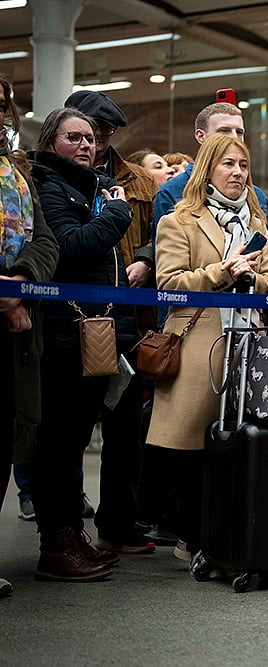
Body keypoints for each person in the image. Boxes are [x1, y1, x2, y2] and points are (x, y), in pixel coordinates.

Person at [145, 133, 268, 562]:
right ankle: (191, 538)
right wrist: (221, 271)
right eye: (228, 164)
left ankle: (225, 537)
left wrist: (249, 278)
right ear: (208, 170)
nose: (238, 173)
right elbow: (168, 283)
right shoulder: (178, 221)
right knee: (190, 451)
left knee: (235, 446)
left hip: (246, 345)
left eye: (243, 165)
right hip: (198, 344)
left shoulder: (258, 224)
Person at [28, 107, 135, 581]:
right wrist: (116, 214)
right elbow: (70, 247)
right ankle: (56, 544)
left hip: (91, 330)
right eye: (74, 137)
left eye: (91, 138)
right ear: (52, 142)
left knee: (72, 444)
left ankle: (72, 535)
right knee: (57, 443)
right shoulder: (48, 184)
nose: (87, 145)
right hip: (61, 331)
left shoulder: (88, 186)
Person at [64, 91, 158, 556]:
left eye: (102, 135)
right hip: (72, 313)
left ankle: (119, 520)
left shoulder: (138, 181)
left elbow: (161, 231)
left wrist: (144, 258)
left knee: (124, 427)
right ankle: (64, 529)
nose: (95, 143)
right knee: (72, 426)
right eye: (85, 133)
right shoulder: (55, 178)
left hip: (127, 315)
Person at [0, 75, 60, 596]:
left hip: (18, 331)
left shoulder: (16, 176)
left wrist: (19, 283)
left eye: (2, 107)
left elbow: (45, 241)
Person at [153, 103, 268, 235]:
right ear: (201, 136)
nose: (234, 137)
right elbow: (167, 251)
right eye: (224, 131)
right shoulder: (172, 192)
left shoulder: (257, 197)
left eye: (239, 132)